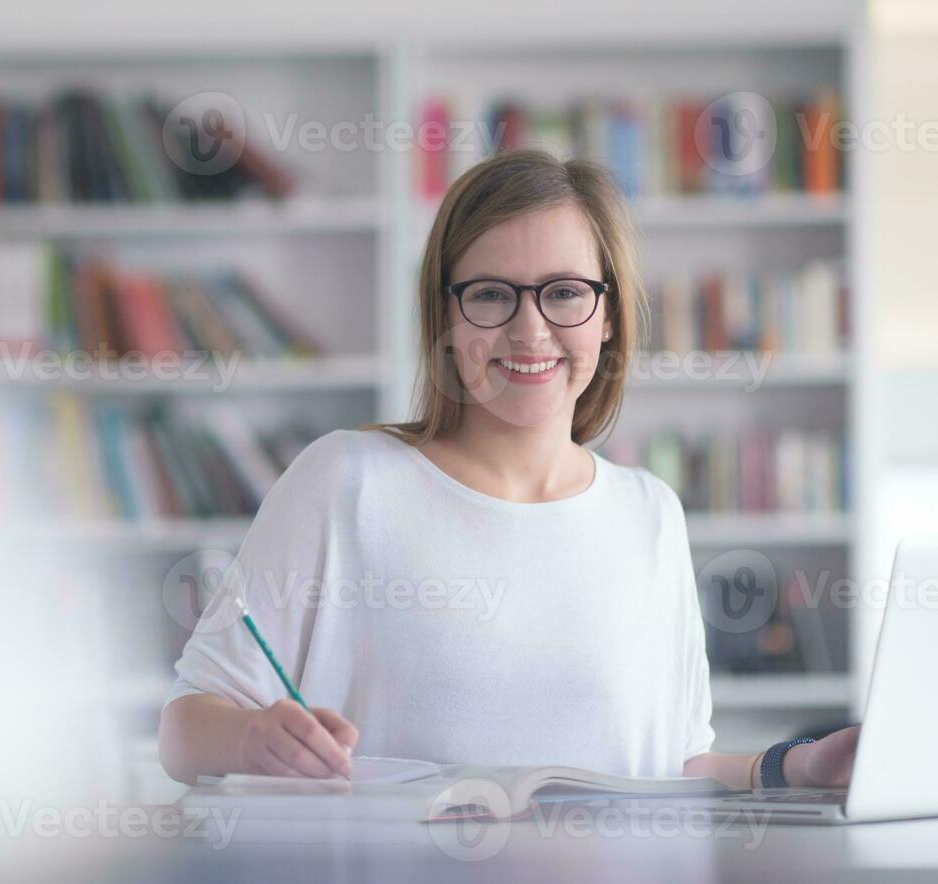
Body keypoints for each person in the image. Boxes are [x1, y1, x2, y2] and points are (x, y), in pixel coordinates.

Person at [159, 149, 858, 789]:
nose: (529, 331)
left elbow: (668, 764)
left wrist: (793, 765)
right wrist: (252, 737)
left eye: (563, 292)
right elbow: (183, 733)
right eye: (492, 294)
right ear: (446, 314)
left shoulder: (649, 512)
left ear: (608, 313)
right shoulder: (346, 480)